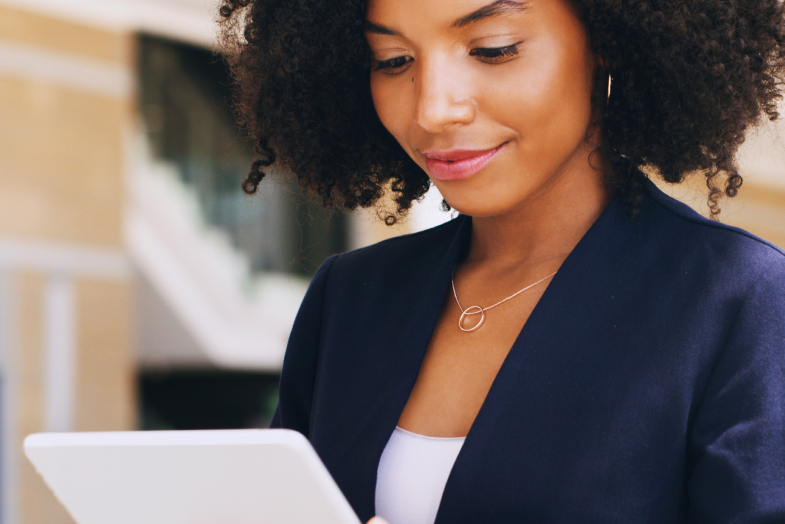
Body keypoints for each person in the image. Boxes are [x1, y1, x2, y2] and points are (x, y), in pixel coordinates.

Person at [218, 0, 785, 522]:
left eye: (492, 49)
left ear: (606, 39)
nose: (434, 108)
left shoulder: (738, 304)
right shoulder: (349, 301)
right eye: (392, 60)